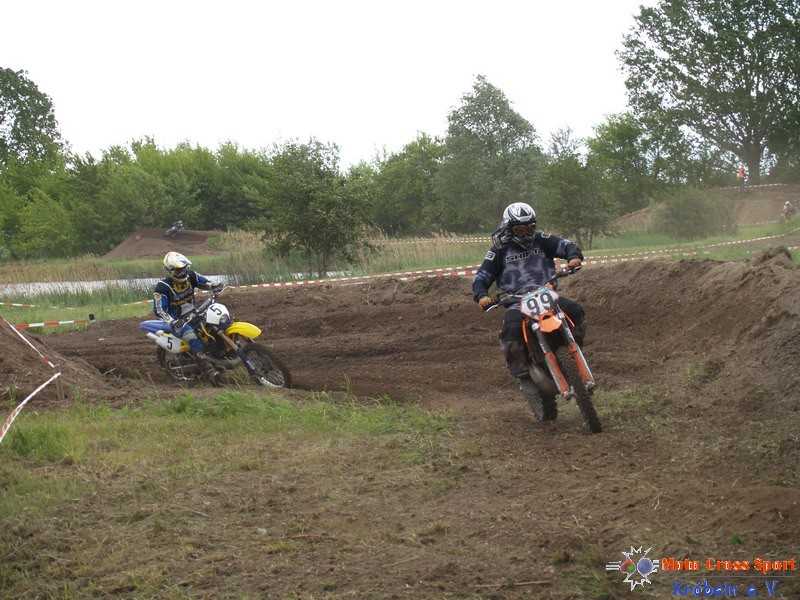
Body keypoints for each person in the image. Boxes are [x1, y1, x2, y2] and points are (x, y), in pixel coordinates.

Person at [472, 202, 585, 388]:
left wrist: (573, 257)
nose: (526, 233)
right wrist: (482, 296)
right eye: (520, 229)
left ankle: (575, 349)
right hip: (516, 301)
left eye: (530, 228)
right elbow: (481, 277)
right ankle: (523, 376)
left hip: (546, 294)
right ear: (509, 229)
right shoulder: (498, 251)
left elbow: (566, 245)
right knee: (511, 328)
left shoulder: (542, 240)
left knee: (574, 310)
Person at [153, 251, 224, 383]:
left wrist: (214, 285)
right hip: (178, 321)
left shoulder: (191, 275)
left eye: (184, 269)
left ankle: (221, 353)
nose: (182, 273)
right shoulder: (162, 287)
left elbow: (204, 281)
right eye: (178, 271)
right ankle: (209, 371)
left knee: (215, 323)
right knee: (192, 337)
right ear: (169, 270)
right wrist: (172, 321)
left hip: (194, 313)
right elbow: (159, 310)